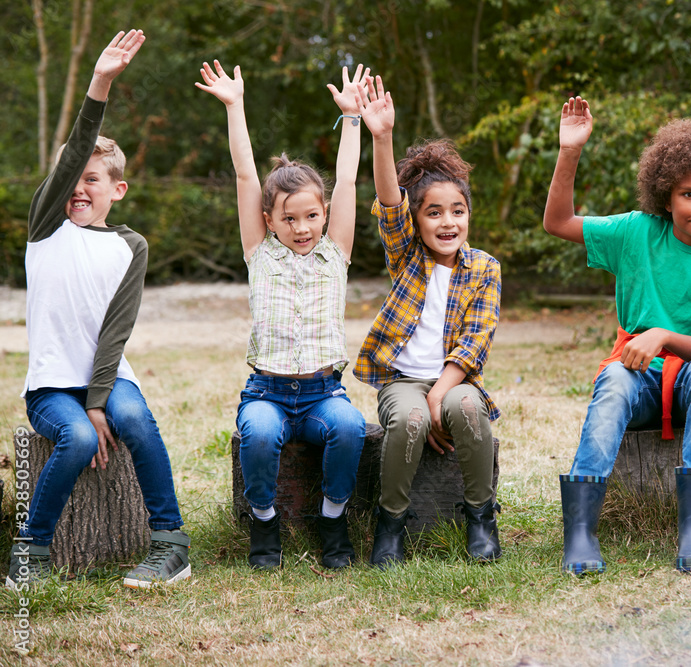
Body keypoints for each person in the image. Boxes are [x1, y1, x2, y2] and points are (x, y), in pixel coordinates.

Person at [543, 97, 691, 574]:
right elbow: (557, 223)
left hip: (690, 381)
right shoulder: (637, 232)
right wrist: (570, 151)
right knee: (615, 380)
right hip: (638, 377)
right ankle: (581, 532)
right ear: (666, 196)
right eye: (690, 194)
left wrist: (661, 334)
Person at [6, 30, 192, 590]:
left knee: (133, 418)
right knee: (80, 440)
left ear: (119, 189)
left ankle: (170, 543)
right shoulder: (46, 228)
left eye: (92, 180)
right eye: (72, 179)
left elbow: (117, 331)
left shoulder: (130, 247)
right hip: (49, 388)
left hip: (106, 378)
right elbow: (74, 150)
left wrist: (99, 398)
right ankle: (32, 552)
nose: (78, 189)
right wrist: (101, 82)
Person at [195, 60, 368, 570]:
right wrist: (235, 106)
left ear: (324, 215)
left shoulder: (336, 251)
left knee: (351, 428)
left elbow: (347, 177)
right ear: (268, 220)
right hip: (267, 391)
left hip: (323, 393)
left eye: (311, 215)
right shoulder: (260, 253)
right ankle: (265, 522)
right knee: (260, 434)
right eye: (288, 218)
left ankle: (332, 517)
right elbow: (246, 173)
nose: (302, 227)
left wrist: (353, 119)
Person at [352, 75, 502, 568]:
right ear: (417, 221)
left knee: (469, 412)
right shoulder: (406, 255)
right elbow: (389, 202)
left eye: (457, 211)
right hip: (402, 381)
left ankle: (481, 517)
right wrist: (381, 137)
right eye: (434, 212)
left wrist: (441, 393)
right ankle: (391, 522)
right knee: (411, 419)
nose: (447, 222)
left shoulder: (483, 267)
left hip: (454, 379)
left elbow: (475, 343)